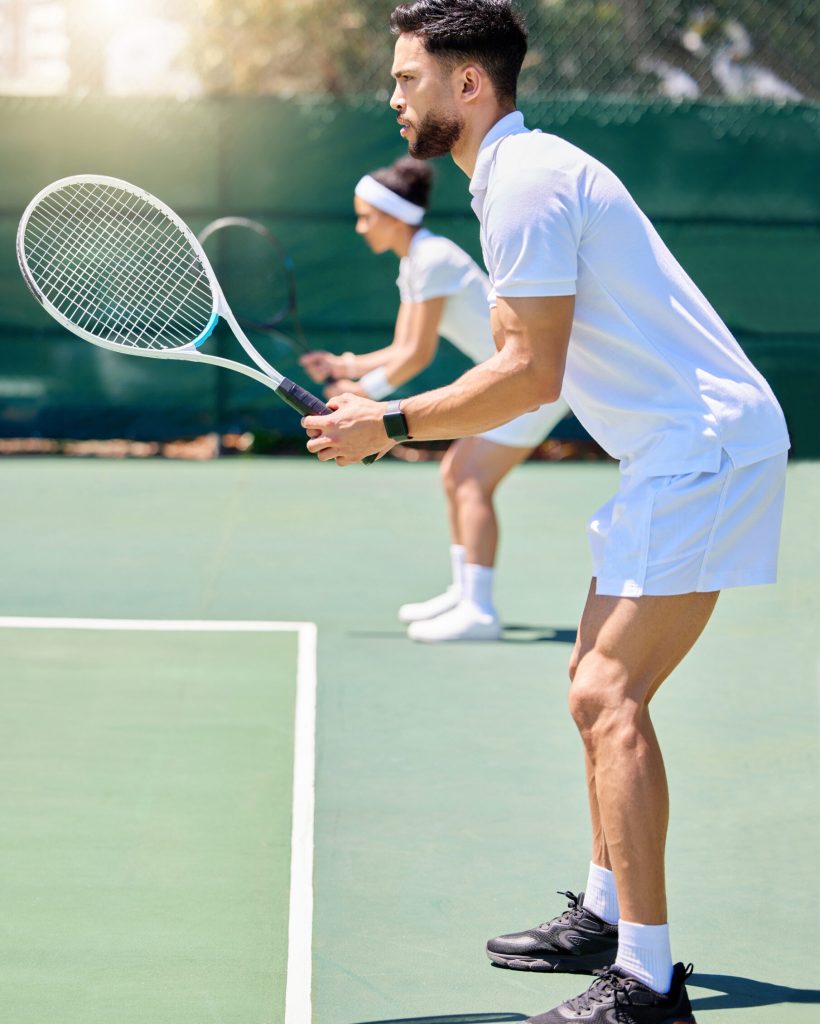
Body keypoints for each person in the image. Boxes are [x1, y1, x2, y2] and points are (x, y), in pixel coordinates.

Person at [302, 2, 790, 1022]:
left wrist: (387, 421)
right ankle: (608, 918)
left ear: (466, 84)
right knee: (590, 683)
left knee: (606, 697)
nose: (391, 97)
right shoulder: (515, 176)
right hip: (670, 452)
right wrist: (386, 409)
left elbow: (529, 374)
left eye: (406, 79)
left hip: (700, 451)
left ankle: (648, 980)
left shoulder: (523, 183)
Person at [300, 155, 567, 642]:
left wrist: (365, 396)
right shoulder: (418, 260)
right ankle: (465, 593)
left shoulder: (433, 259)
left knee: (469, 479)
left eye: (366, 216)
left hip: (530, 383)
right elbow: (402, 348)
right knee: (456, 474)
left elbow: (416, 357)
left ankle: (480, 610)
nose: (361, 228)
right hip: (511, 380)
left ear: (393, 216)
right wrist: (345, 366)